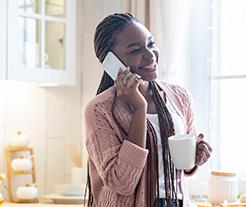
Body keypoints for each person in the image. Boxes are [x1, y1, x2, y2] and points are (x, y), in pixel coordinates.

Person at [84, 13, 212, 207]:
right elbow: (122, 182)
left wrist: (197, 156)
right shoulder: (98, 110)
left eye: (151, 44)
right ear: (111, 62)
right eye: (135, 50)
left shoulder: (180, 96)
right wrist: (139, 108)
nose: (150, 54)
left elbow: (183, 164)